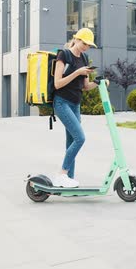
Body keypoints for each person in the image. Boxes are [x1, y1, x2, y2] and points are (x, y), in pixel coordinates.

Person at [52, 28, 107, 188]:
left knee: (71, 142)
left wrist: (98, 82)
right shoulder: (64, 55)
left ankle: (69, 179)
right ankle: (62, 174)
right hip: (62, 102)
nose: (86, 47)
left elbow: (85, 86)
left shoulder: (84, 58)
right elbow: (57, 83)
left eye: (89, 45)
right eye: (84, 43)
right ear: (76, 39)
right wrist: (77, 72)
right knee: (80, 138)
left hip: (75, 104)